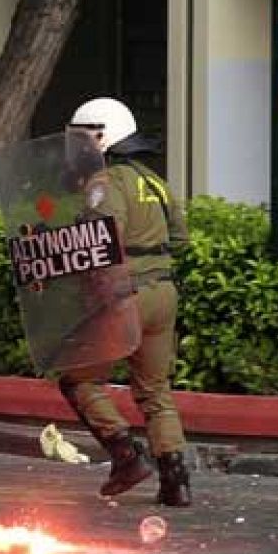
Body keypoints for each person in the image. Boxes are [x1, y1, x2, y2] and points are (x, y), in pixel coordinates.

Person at [56, 97, 193, 506]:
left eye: (84, 137)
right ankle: (176, 480)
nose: (78, 147)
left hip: (124, 292)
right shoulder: (153, 182)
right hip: (163, 293)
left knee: (78, 379)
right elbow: (180, 238)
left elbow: (100, 236)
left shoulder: (105, 183)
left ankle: (125, 456)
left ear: (104, 136)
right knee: (155, 391)